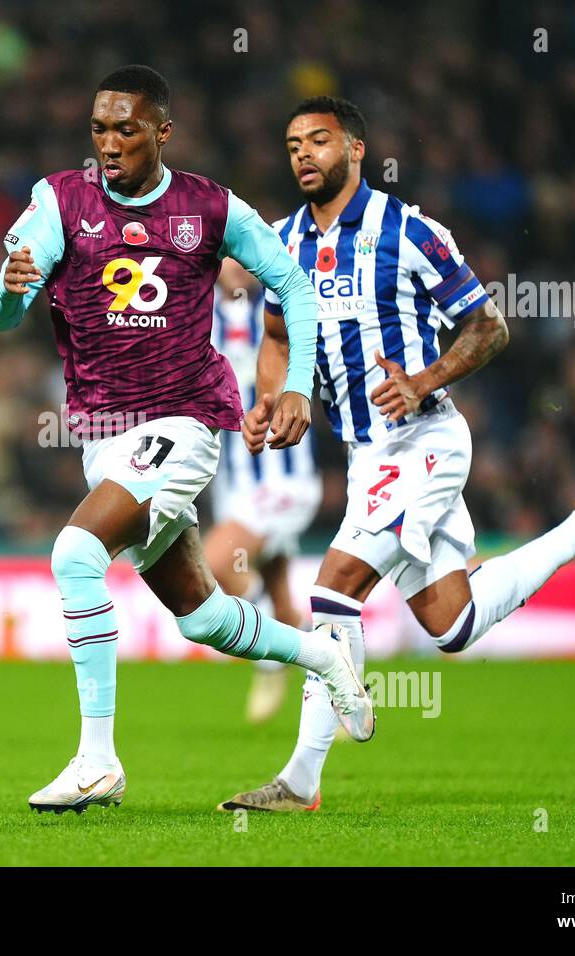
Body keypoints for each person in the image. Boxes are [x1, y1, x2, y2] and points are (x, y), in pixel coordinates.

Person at [221, 96, 575, 812]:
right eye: (292, 144)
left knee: (334, 589)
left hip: (426, 440)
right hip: (369, 455)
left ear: (356, 150)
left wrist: (423, 380)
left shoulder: (411, 231)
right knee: (451, 624)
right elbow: (276, 339)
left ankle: (304, 774)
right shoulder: (280, 243)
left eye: (319, 141)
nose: (303, 154)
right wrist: (273, 399)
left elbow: (489, 328)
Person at [0, 66, 373, 814]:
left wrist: (296, 383)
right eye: (98, 129)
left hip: (183, 422)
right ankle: (325, 655)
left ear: (162, 131)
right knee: (201, 615)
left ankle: (97, 761)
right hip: (102, 433)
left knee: (74, 555)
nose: (108, 144)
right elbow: (6, 314)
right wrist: (10, 285)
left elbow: (294, 285)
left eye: (125, 130)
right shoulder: (56, 200)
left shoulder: (211, 207)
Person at [203, 259, 322, 724]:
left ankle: (272, 655)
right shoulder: (198, 312)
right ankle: (341, 691)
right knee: (285, 599)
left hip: (283, 478)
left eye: (240, 253)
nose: (232, 265)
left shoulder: (280, 312)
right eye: (223, 254)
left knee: (215, 562)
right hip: (235, 481)